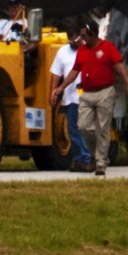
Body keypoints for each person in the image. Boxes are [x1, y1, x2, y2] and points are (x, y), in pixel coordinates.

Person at [72, 23, 128, 176]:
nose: (81, 39)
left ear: (93, 34)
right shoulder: (82, 50)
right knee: (83, 126)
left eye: (84, 35)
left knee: (103, 128)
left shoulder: (107, 47)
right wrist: (61, 87)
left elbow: (120, 66)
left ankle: (101, 163)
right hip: (87, 93)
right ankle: (97, 153)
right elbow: (75, 70)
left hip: (105, 92)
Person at [50, 24, 89, 171]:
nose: (73, 42)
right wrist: (53, 92)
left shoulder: (88, 50)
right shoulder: (63, 52)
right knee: (73, 130)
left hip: (88, 96)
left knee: (85, 129)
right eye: (70, 40)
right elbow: (56, 73)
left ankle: (87, 158)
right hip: (70, 97)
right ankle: (79, 159)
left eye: (75, 39)